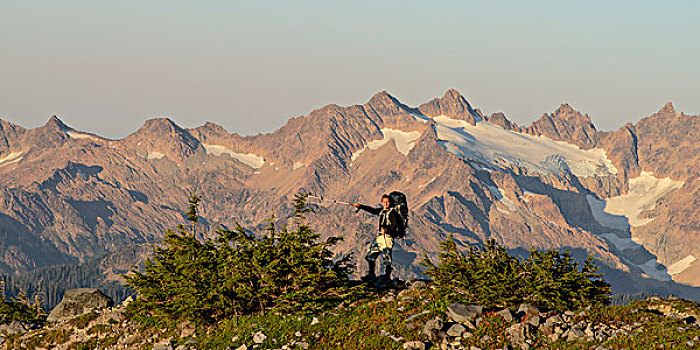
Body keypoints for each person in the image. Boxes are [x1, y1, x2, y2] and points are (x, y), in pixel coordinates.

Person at [350, 194, 403, 282]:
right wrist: (360, 206)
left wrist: (387, 230)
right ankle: (372, 274)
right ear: (381, 203)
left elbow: (394, 226)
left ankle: (387, 276)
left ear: (390, 203)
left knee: (387, 257)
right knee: (370, 255)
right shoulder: (381, 211)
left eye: (387, 202)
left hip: (387, 238)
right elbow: (372, 210)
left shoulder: (393, 213)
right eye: (384, 202)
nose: (386, 203)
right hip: (380, 237)